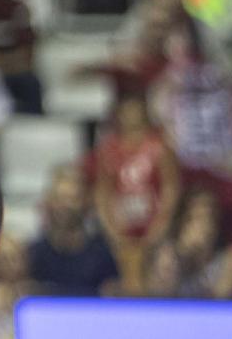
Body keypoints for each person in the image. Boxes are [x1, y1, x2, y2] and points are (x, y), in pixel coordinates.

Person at [91, 91, 180, 293]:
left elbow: (170, 187)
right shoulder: (109, 149)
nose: (131, 117)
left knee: (155, 273)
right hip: (121, 223)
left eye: (136, 112)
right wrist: (110, 227)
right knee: (128, 270)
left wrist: (162, 223)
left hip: (152, 221)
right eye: (127, 112)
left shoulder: (159, 147)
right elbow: (102, 192)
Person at [26, 166, 120, 296]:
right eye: (59, 198)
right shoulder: (34, 255)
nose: (65, 205)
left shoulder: (103, 254)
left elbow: (113, 298)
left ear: (85, 202)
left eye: (72, 198)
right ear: (49, 202)